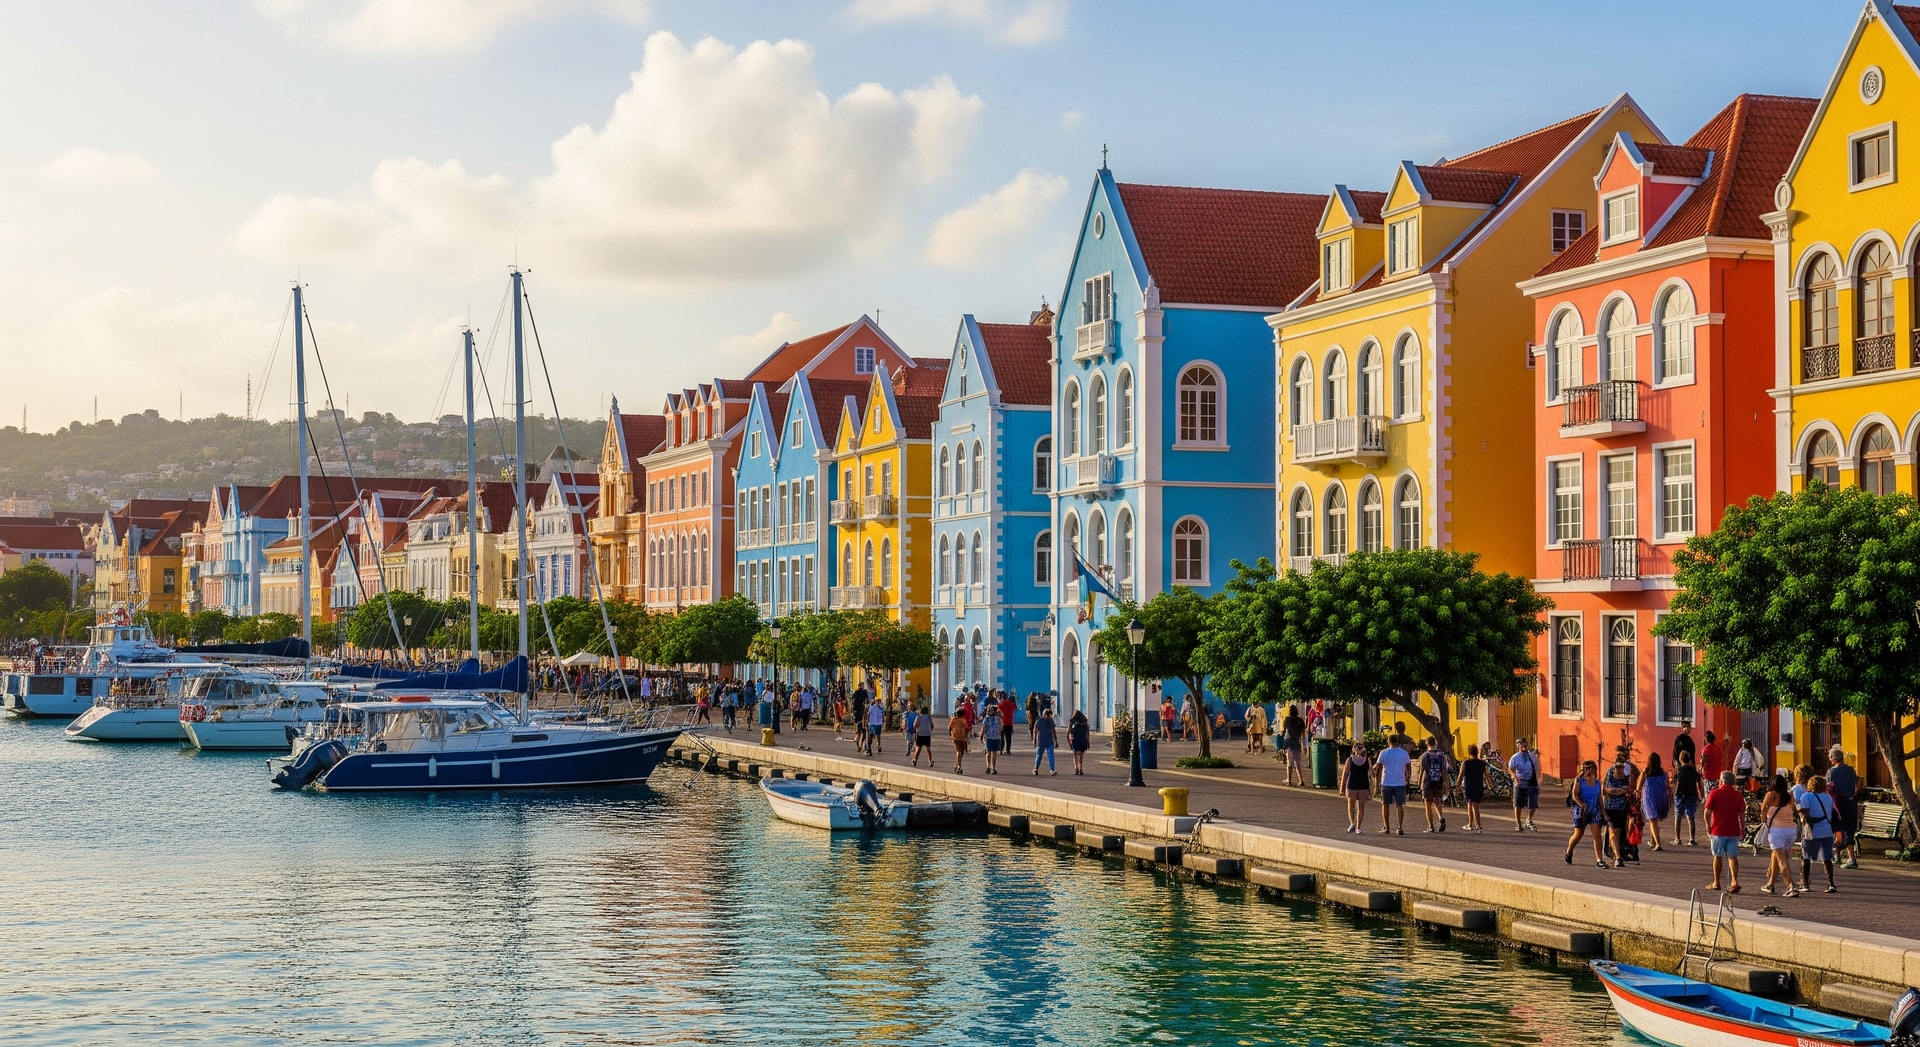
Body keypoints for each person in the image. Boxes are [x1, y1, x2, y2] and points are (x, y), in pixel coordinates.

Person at [1797, 774, 1840, 894]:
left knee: (1806, 857)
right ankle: (1831, 883)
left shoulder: (1806, 796)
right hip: (1827, 830)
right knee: (1827, 858)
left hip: (1812, 831)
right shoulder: (1828, 797)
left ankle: (1805, 883)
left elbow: (1805, 814)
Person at [1704, 770, 1746, 893]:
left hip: (1718, 830)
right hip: (1733, 830)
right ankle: (1734, 881)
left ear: (1721, 780)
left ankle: (1716, 882)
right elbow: (1742, 814)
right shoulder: (1738, 795)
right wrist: (1742, 827)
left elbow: (1707, 812)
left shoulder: (1714, 793)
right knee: (1732, 856)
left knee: (1717, 856)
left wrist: (1708, 826)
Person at [1759, 775, 1799, 896]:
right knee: (1777, 857)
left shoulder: (1771, 795)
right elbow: (1792, 809)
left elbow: (1762, 810)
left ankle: (1790, 886)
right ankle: (1770, 884)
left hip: (1777, 831)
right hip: (1791, 829)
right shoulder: (1790, 795)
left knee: (1782, 859)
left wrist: (1765, 818)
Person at [1564, 760, 1608, 868]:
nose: (1588, 771)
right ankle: (1569, 851)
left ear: (1594, 769)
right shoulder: (1580, 781)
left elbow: (1599, 799)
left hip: (1594, 810)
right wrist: (1582, 805)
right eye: (1586, 769)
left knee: (1597, 836)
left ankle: (1599, 860)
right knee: (1578, 834)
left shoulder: (1598, 783)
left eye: (1590, 768)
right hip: (1581, 810)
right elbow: (1575, 795)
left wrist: (1603, 811)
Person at [1826, 747, 1860, 869]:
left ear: (1834, 759)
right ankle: (1849, 857)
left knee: (1836, 828)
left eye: (1830, 758)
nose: (1830, 760)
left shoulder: (1831, 772)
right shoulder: (1851, 770)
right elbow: (1856, 785)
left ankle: (1839, 856)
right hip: (1851, 802)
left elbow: (1829, 788)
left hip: (1838, 803)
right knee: (1849, 829)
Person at [1601, 753, 1635, 868]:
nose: (1619, 769)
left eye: (1621, 767)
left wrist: (1622, 791)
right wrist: (1615, 791)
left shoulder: (1627, 775)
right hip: (1609, 806)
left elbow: (1631, 787)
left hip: (1621, 807)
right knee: (1613, 831)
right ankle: (1618, 857)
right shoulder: (1609, 773)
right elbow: (1604, 788)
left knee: (1618, 832)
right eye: (1617, 767)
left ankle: (1613, 852)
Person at [1374, 736, 1412, 835]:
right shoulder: (1404, 753)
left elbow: (1378, 768)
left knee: (1385, 804)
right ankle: (1399, 827)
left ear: (1388, 741)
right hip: (1400, 782)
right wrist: (1408, 777)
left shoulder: (1384, 753)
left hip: (1386, 781)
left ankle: (1386, 827)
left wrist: (1377, 783)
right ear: (1398, 741)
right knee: (1399, 805)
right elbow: (1408, 767)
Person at [1639, 753, 1671, 852]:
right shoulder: (1663, 773)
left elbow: (1638, 786)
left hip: (1649, 797)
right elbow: (1668, 787)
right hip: (1661, 797)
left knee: (1652, 819)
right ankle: (1653, 840)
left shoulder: (1646, 772)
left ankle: (1658, 843)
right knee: (1654, 820)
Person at [1508, 738, 1541, 832]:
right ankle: (1518, 823)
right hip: (1520, 782)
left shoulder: (1532, 756)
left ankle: (1529, 819)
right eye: (1521, 744)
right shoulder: (1515, 757)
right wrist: (1514, 775)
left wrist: (1538, 781)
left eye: (1525, 744)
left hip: (1532, 781)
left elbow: (1537, 768)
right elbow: (1510, 768)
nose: (1524, 746)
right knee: (1518, 804)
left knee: (1533, 804)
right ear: (1518, 746)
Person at [1416, 738, 1450, 832]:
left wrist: (1419, 784)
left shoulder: (1424, 756)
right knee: (1437, 801)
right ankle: (1440, 817)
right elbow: (1444, 771)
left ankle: (1431, 826)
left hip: (1428, 781)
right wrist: (1447, 784)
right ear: (1436, 743)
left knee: (1428, 803)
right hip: (1439, 781)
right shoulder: (1442, 756)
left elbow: (1422, 771)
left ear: (1427, 744)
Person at [1672, 750, 1703, 846]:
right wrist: (1701, 794)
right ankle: (1692, 839)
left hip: (1680, 795)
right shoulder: (1693, 770)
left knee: (1678, 817)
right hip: (1692, 794)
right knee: (1691, 817)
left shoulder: (1680, 769)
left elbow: (1674, 780)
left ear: (1681, 759)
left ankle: (1678, 838)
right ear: (1689, 759)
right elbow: (1699, 781)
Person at [1341, 742, 1373, 834]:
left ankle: (1358, 826)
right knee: (1351, 806)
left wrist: (1373, 786)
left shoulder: (1367, 760)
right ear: (1353, 749)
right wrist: (1342, 787)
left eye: (1361, 748)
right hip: (1352, 785)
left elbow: (1370, 774)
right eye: (1357, 748)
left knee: (1361, 807)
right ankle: (1352, 824)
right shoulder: (1349, 760)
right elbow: (1345, 773)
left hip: (1363, 785)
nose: (1359, 749)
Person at [1458, 744, 1487, 833]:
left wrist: (1457, 783)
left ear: (1469, 752)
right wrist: (1489, 784)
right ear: (1477, 752)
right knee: (1471, 804)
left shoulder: (1466, 763)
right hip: (1478, 786)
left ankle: (1479, 826)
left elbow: (1461, 774)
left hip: (1469, 786)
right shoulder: (1482, 763)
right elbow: (1487, 774)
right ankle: (1470, 824)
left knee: (1473, 805)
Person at [1282, 705, 1308, 786]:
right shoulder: (1300, 721)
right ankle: (1301, 780)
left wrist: (1284, 745)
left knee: (1289, 763)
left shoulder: (1287, 720)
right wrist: (1304, 746)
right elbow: (1303, 735)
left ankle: (1289, 780)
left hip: (1289, 744)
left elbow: (1285, 733)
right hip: (1297, 744)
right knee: (1297, 763)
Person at [1033, 707, 1057, 775]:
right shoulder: (1039, 721)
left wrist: (1056, 740)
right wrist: (1034, 740)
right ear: (1044, 714)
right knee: (1039, 756)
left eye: (1050, 715)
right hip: (1041, 742)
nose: (1049, 717)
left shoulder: (1051, 720)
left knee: (1051, 755)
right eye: (1048, 715)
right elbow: (1035, 730)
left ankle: (1052, 770)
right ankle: (1036, 768)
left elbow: (1053, 730)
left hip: (1050, 741)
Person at [1067, 710, 1091, 775]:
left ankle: (1076, 768)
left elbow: (1068, 732)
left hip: (1074, 740)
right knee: (1080, 755)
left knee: (1075, 754)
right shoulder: (1084, 721)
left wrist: (1069, 741)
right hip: (1082, 740)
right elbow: (1087, 733)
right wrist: (1088, 742)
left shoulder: (1072, 721)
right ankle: (1080, 769)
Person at [949, 709, 972, 775]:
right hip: (961, 738)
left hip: (956, 737)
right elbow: (966, 728)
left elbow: (949, 728)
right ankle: (959, 766)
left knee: (961, 752)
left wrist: (950, 735)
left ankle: (957, 764)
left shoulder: (953, 719)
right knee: (959, 751)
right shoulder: (963, 720)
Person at [981, 706, 1003, 775]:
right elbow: (1001, 728)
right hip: (996, 737)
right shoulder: (998, 718)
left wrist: (981, 736)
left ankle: (988, 766)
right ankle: (993, 768)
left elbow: (983, 728)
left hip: (988, 737)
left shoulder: (986, 718)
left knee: (989, 752)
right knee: (994, 753)